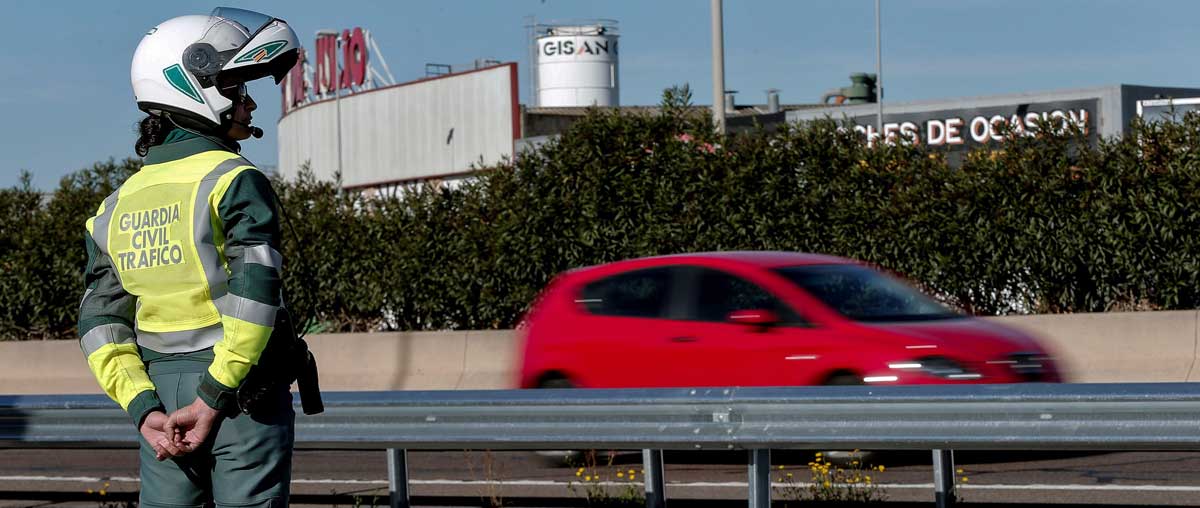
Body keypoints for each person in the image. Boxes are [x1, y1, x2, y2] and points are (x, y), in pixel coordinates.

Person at [78, 8, 311, 507]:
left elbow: (99, 323)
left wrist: (142, 408)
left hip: (162, 398)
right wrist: (214, 396)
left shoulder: (114, 206)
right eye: (237, 89)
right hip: (241, 392)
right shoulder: (233, 180)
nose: (248, 105)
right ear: (197, 87)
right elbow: (256, 297)